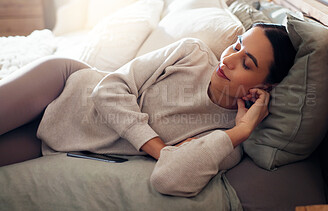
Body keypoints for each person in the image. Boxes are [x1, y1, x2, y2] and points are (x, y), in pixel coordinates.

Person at [0, 23, 296, 196]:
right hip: (64, 85)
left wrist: (242, 130)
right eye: (237, 46)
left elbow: (167, 178)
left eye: (248, 63)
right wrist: (160, 148)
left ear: (265, 88)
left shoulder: (226, 142)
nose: (230, 60)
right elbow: (108, 90)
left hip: (58, 140)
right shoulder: (190, 53)